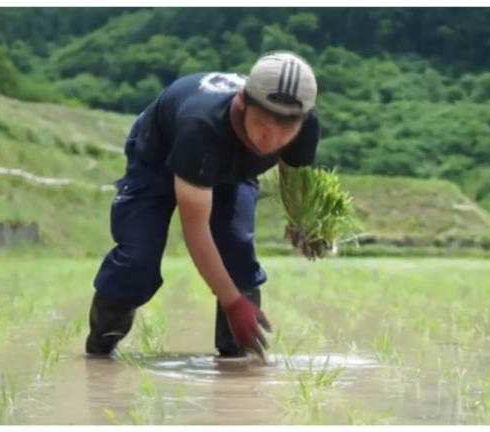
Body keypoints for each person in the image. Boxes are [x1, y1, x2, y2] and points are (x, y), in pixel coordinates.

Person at [85, 51, 324, 359]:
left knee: (238, 253)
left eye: (285, 131)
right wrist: (233, 303)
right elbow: (196, 230)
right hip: (158, 158)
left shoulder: (306, 127)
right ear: (242, 102)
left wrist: (303, 223)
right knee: (137, 259)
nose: (271, 140)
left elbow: (292, 181)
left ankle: (238, 364)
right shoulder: (202, 126)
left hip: (232, 167)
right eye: (263, 125)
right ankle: (99, 352)